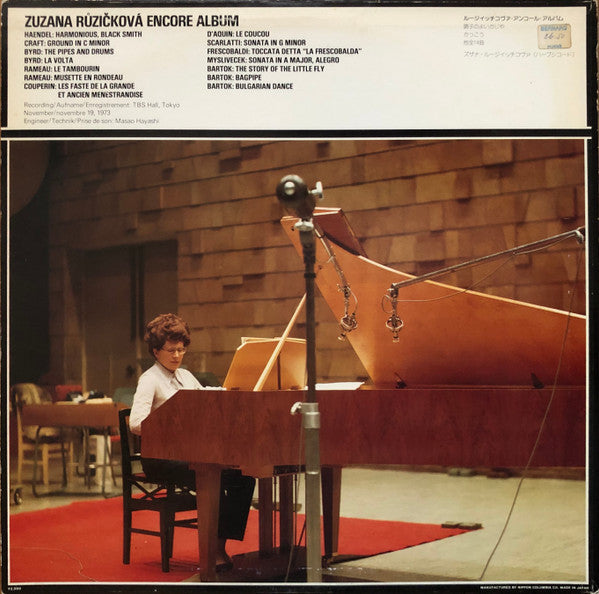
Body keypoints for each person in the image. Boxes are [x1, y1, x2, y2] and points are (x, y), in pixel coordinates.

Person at [129, 313, 255, 570]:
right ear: (156, 351)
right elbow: (136, 423)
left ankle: (218, 545)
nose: (177, 355)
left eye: (181, 349)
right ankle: (212, 553)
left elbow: (205, 400)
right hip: (160, 458)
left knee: (243, 477)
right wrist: (173, 426)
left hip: (189, 454)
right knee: (214, 475)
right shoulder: (149, 380)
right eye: (171, 350)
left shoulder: (185, 376)